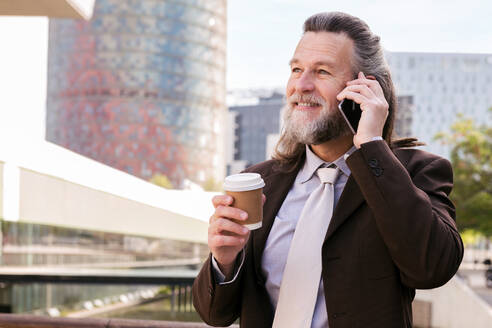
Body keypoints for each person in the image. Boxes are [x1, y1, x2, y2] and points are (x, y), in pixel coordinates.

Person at [193, 12, 463, 328]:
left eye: (321, 71)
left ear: (365, 89)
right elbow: (215, 314)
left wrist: (371, 144)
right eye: (296, 70)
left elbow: (433, 268)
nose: (301, 85)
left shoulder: (418, 172)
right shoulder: (259, 182)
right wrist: (223, 261)